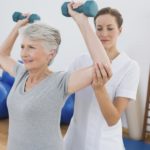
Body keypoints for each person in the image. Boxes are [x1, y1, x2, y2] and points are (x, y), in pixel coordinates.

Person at [0, 3, 111, 150]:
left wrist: (81, 20)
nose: (23, 54)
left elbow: (103, 65)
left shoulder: (60, 82)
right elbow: (2, 56)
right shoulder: (21, 73)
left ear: (50, 54)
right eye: (22, 46)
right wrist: (19, 25)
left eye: (31, 47)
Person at [64, 7, 140, 150]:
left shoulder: (130, 67)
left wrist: (99, 89)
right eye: (99, 28)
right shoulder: (80, 60)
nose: (104, 34)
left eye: (110, 28)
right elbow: (60, 89)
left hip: (105, 143)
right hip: (73, 141)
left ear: (120, 30)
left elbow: (113, 119)